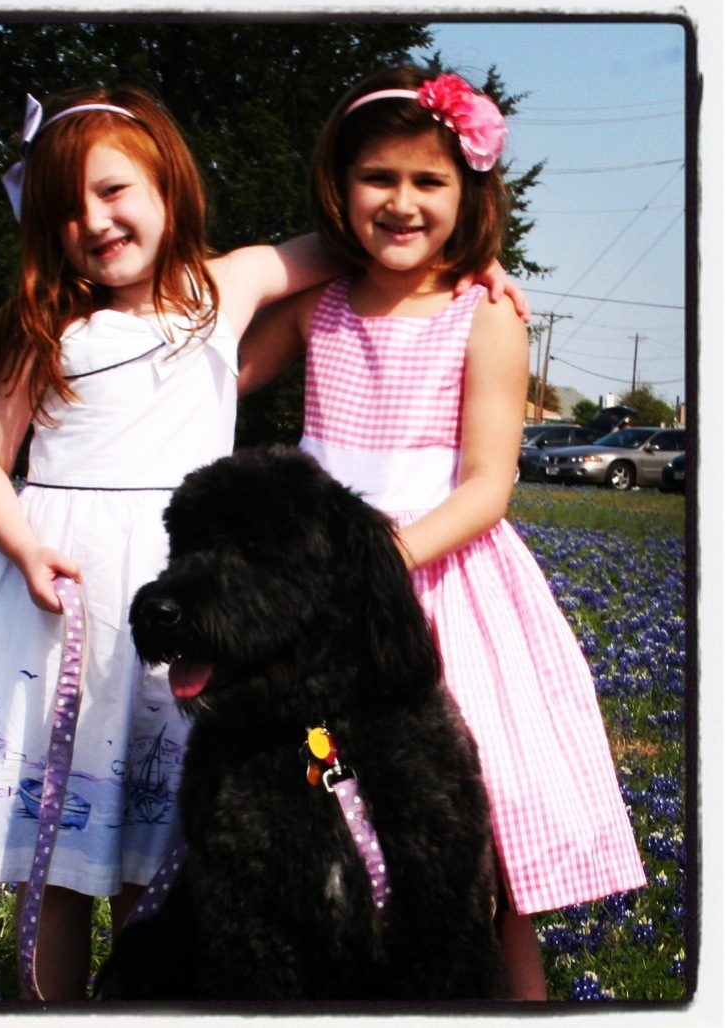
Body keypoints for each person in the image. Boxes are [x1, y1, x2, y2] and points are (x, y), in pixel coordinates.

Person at [0, 84, 522, 1001]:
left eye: (115, 191)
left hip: (198, 593)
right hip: (69, 597)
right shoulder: (43, 331)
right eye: (65, 208)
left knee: (164, 848)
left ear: (169, 188)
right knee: (59, 858)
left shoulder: (223, 289)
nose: (94, 221)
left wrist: (478, 256)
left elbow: (366, 234)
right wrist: (24, 545)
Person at [239, 66, 646, 1000]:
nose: (402, 201)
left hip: (442, 586)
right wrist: (313, 252)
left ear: (470, 194)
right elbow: (217, 368)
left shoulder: (485, 313)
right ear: (339, 187)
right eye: (376, 177)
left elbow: (487, 488)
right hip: (317, 597)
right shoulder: (318, 303)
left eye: (430, 181)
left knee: (476, 849)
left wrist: (376, 563)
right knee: (317, 810)